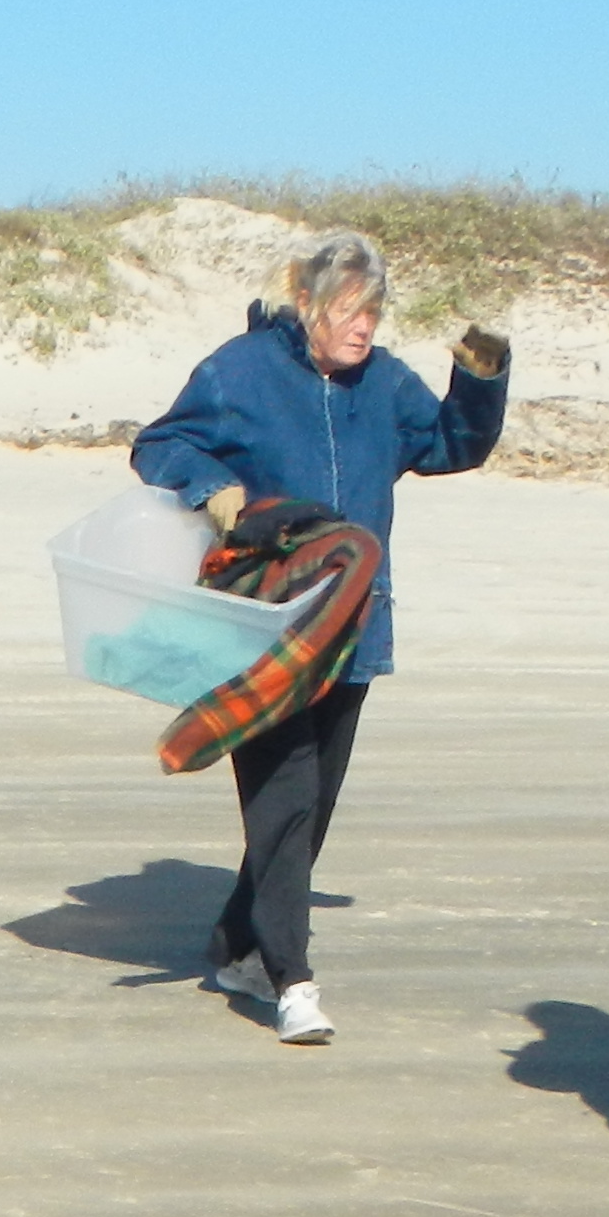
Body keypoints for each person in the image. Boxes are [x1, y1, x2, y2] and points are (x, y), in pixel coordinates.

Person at [131, 232, 508, 1042]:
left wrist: (480, 378)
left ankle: (238, 944)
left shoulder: (385, 384)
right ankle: (290, 977)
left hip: (354, 625)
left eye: (371, 311)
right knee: (286, 796)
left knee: (314, 803)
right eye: (346, 309)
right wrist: (216, 490)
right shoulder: (241, 371)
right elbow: (160, 443)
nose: (362, 326)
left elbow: (451, 444)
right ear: (306, 304)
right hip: (261, 625)